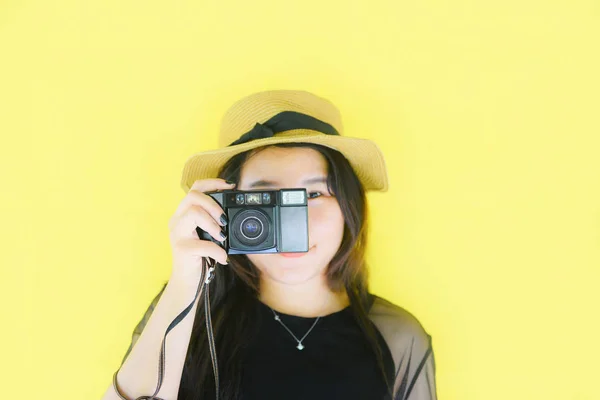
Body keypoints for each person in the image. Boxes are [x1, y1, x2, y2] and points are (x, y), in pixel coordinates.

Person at [102, 90, 438, 400]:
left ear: (348, 206)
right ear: (225, 209)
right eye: (265, 198)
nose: (294, 221)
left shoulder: (396, 337)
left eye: (313, 194)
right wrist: (185, 282)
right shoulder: (188, 310)